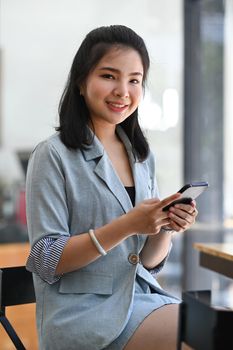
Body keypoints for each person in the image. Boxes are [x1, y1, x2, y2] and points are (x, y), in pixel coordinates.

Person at [26, 25, 197, 350]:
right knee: (204, 333)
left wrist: (166, 228)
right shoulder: (52, 155)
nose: (123, 90)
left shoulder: (142, 156)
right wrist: (127, 225)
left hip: (141, 300)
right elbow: (46, 259)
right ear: (81, 81)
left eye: (134, 80)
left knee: (213, 328)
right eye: (109, 76)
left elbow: (145, 262)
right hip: (81, 316)